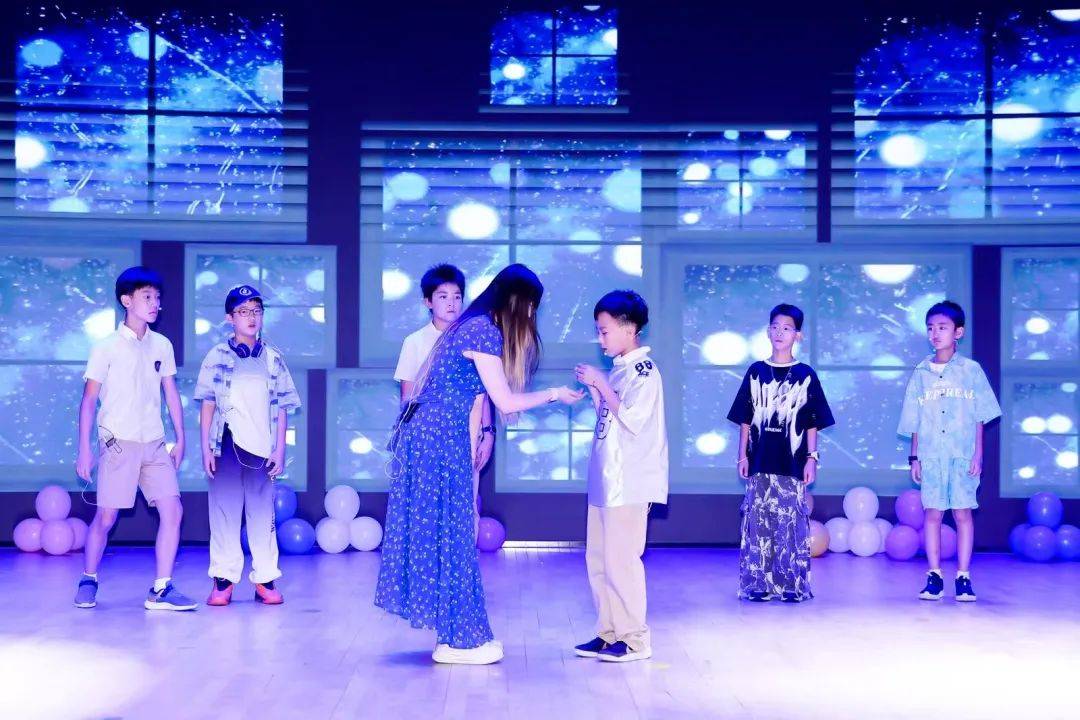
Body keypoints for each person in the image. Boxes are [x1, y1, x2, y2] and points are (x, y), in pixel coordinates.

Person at [375, 264, 583, 665]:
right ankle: (459, 640)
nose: (530, 317)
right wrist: (554, 393)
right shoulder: (482, 331)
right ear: (518, 302)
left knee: (453, 534)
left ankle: (457, 636)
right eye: (531, 307)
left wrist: (472, 451)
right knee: (454, 537)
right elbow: (504, 401)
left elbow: (472, 400)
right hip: (438, 439)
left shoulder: (467, 327)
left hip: (436, 439)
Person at [73, 266, 196, 611]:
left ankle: (161, 588)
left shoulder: (162, 345)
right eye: (147, 297)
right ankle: (88, 578)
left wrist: (181, 437)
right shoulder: (106, 348)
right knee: (106, 518)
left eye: (157, 297)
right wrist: (84, 450)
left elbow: (171, 392)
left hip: (154, 443)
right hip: (118, 444)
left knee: (173, 510)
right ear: (127, 301)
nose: (155, 303)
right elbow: (88, 401)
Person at [572, 290, 668, 663]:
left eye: (605, 331)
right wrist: (596, 388)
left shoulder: (645, 371)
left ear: (629, 329)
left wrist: (601, 383)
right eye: (599, 331)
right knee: (600, 559)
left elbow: (631, 418)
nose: (601, 339)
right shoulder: (620, 369)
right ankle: (608, 631)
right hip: (606, 480)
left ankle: (634, 638)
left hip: (629, 483)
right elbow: (608, 416)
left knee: (622, 560)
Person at [194, 285, 302, 606]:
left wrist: (280, 449)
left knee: (262, 515)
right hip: (226, 445)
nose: (251, 317)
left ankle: (265, 580)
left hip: (261, 448)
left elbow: (283, 407)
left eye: (256, 311)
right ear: (230, 318)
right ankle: (223, 581)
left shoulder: (273, 358)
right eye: (243, 312)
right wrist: (205, 448)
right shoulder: (216, 356)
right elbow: (208, 404)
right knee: (224, 513)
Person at [727, 303, 834, 603]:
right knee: (758, 522)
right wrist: (742, 455)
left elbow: (812, 421)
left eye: (787, 328)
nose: (779, 333)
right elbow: (745, 417)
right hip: (759, 461)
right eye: (775, 327)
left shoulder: (805, 374)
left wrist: (812, 458)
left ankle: (790, 585)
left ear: (798, 335)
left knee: (790, 523)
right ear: (767, 331)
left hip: (792, 463)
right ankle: (758, 584)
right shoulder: (756, 371)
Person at [898, 300, 1000, 602]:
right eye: (930, 328)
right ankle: (934, 576)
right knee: (933, 514)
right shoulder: (920, 373)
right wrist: (914, 457)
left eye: (942, 327)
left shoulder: (971, 371)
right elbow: (914, 419)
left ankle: (963, 576)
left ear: (958, 332)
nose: (935, 333)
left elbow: (980, 416)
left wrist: (978, 455)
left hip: (962, 454)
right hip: (931, 455)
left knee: (962, 513)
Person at [394, 264, 494, 530]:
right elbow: (408, 399)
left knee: (465, 508)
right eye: (443, 296)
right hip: (427, 438)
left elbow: (483, 390)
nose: (451, 303)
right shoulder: (414, 342)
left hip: (466, 434)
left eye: (457, 296)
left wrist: (488, 433)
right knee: (426, 510)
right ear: (428, 301)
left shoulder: (474, 338)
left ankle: (463, 558)